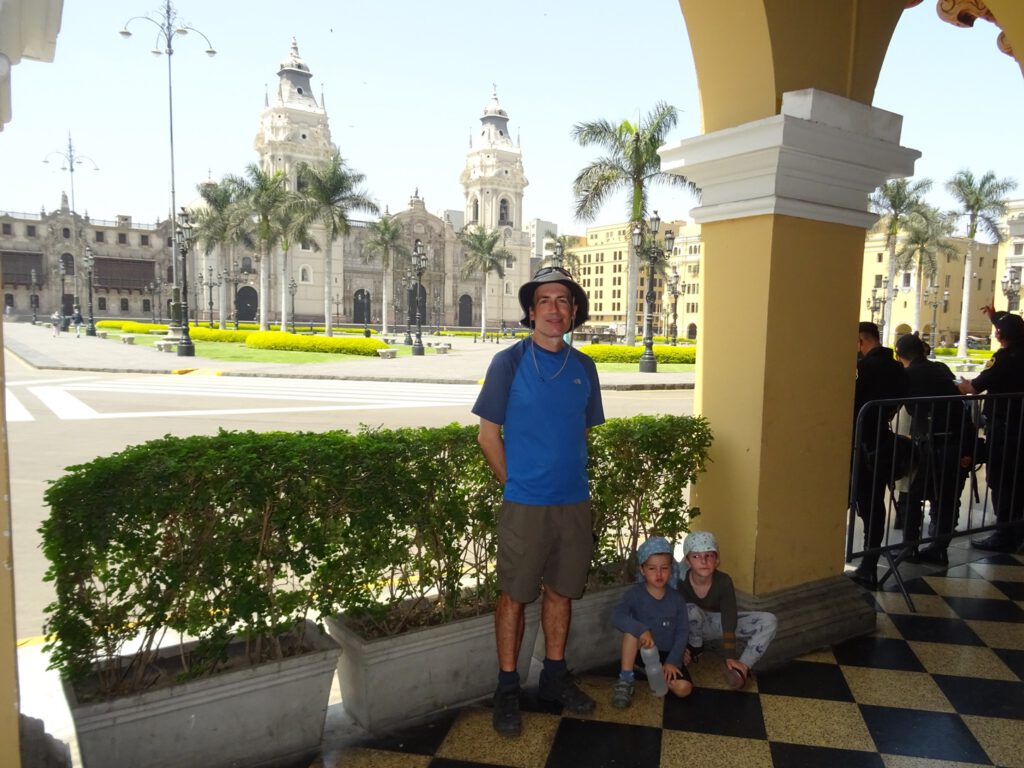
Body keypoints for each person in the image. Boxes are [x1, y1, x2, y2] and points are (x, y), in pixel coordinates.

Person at [472, 265, 604, 737]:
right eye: (545, 300)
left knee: (562, 592)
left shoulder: (584, 367)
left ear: (572, 314)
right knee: (514, 596)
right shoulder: (508, 362)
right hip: (525, 504)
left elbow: (581, 430)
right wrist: (517, 484)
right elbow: (488, 435)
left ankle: (553, 677)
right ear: (531, 311)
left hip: (574, 502)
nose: (554, 309)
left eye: (564, 301)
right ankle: (507, 687)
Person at [893, 334, 973, 564]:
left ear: (899, 356)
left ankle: (909, 547)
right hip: (957, 441)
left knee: (911, 496)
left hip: (931, 444)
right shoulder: (941, 370)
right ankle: (939, 548)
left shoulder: (907, 376)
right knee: (946, 498)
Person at [957, 312, 1024, 552]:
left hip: (1005, 428)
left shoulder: (1004, 358)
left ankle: (1003, 533)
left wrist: (961, 385)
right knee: (1018, 479)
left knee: (1001, 478)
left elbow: (974, 388)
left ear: (999, 335)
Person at [677, 532, 777, 689]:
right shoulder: (680, 581)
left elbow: (729, 618)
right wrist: (680, 647)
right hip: (690, 630)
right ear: (687, 561)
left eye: (709, 555)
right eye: (696, 556)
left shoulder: (723, 581)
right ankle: (695, 648)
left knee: (769, 620)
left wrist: (730, 656)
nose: (703, 561)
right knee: (689, 610)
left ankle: (741, 667)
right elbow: (675, 616)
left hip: (717, 624)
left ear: (716, 560)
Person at [850, 321, 908, 588]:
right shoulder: (896, 367)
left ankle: (867, 564)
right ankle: (870, 560)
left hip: (861, 442)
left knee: (866, 501)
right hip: (882, 440)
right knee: (875, 501)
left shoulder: (864, 368)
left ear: (860, 341)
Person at [611, 536, 692, 708]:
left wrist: (672, 660)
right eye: (652, 568)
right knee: (630, 633)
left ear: (671, 569)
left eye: (664, 568)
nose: (659, 574)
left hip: (667, 656)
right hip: (643, 651)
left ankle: (661, 677)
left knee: (684, 689)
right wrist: (641, 629)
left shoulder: (677, 599)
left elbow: (682, 632)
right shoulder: (635, 594)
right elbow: (617, 616)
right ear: (642, 569)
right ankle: (626, 678)